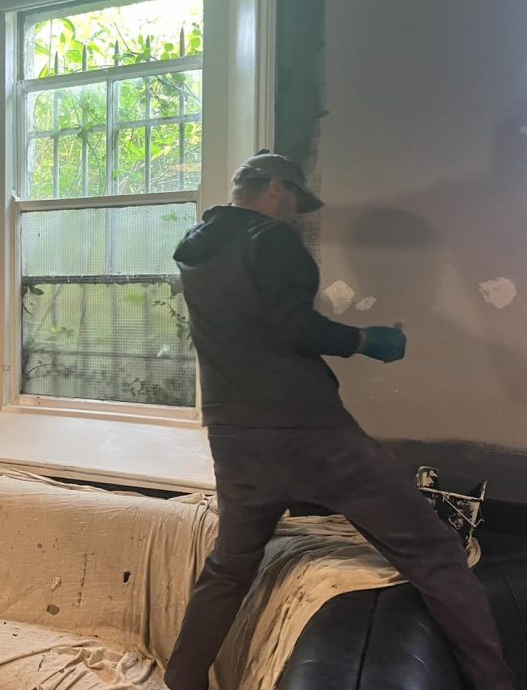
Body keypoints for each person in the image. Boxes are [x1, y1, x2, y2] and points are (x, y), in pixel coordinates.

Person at [165, 153, 513, 689]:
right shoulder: (271, 239)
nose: (296, 216)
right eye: (295, 203)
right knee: (436, 553)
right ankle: (496, 683)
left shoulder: (196, 248)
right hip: (310, 433)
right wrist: (367, 340)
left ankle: (182, 679)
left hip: (234, 436)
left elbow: (258, 328)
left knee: (230, 568)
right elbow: (291, 327)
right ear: (276, 188)